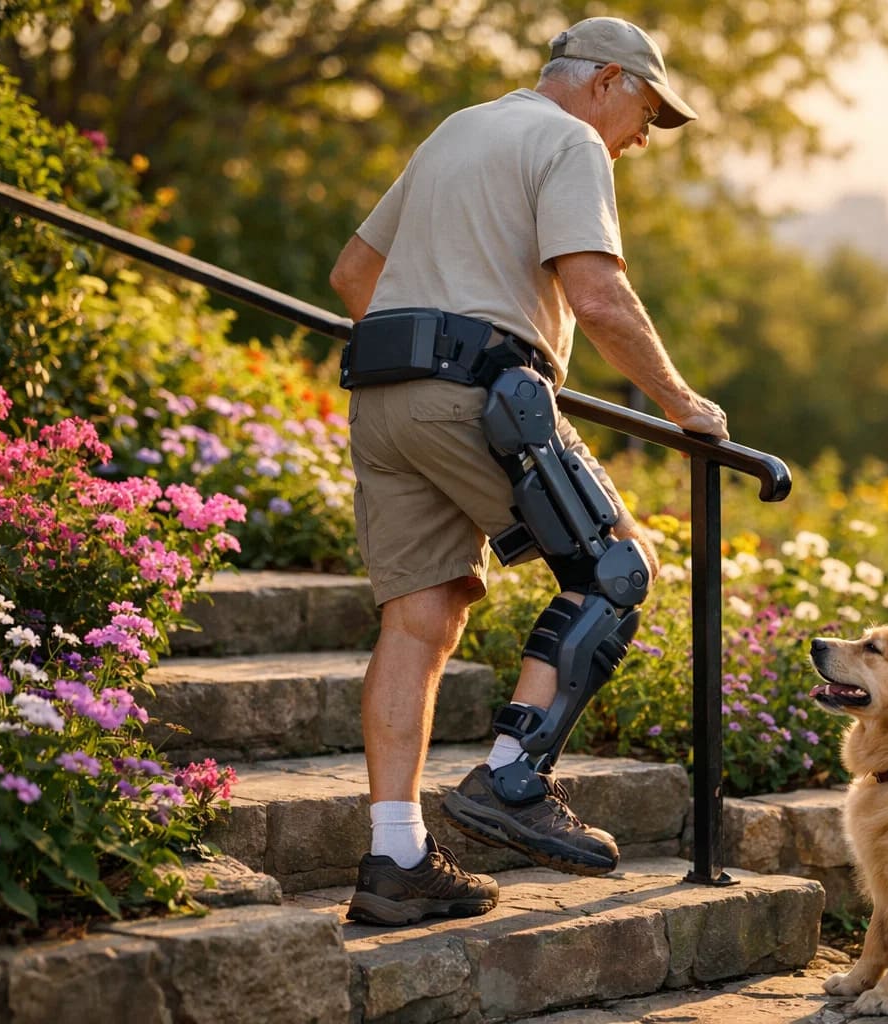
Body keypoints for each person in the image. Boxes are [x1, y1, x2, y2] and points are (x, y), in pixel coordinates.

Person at [328, 15, 728, 928]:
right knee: (615, 567)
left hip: (384, 393)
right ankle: (512, 778)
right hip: (481, 395)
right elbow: (597, 292)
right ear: (604, 83)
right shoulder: (570, 141)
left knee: (421, 617)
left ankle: (395, 859)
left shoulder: (459, 128)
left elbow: (356, 273)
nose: (640, 140)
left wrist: (422, 356)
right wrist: (683, 405)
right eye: (647, 113)